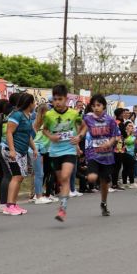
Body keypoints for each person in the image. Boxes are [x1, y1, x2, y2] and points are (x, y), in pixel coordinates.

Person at [42, 85, 86, 222]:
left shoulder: (73, 114)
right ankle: (63, 206)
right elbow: (44, 130)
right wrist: (51, 137)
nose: (57, 102)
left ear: (66, 99)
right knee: (62, 180)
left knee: (66, 176)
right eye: (55, 99)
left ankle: (62, 208)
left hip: (69, 150)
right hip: (55, 151)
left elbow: (84, 126)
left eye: (60, 99)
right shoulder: (49, 115)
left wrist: (79, 137)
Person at [82, 94, 120, 215]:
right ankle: (88, 177)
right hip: (93, 153)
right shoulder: (87, 119)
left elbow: (115, 136)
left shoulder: (110, 120)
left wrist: (109, 142)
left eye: (98, 105)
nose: (96, 108)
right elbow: (80, 131)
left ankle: (103, 203)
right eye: (93, 106)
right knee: (92, 177)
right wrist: (77, 142)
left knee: (104, 182)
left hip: (107, 156)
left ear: (104, 106)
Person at [2, 93, 38, 216]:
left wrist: (34, 148)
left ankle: (14, 203)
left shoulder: (27, 116)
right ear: (29, 103)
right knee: (16, 176)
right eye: (34, 102)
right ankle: (9, 205)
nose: (35, 105)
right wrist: (12, 150)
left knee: (20, 177)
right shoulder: (16, 115)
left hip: (21, 151)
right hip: (12, 150)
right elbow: (9, 132)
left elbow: (27, 136)